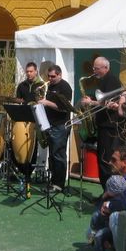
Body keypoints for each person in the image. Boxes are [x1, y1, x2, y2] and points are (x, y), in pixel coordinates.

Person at [80, 56, 123, 188]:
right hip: (104, 125)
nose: (94, 71)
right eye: (93, 68)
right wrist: (91, 98)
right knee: (102, 159)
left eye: (96, 68)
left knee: (105, 159)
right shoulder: (105, 80)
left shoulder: (112, 80)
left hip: (109, 126)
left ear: (105, 68)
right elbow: (102, 99)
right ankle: (106, 190)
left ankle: (108, 191)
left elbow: (108, 103)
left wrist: (91, 102)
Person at [37, 64, 73, 192]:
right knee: (52, 155)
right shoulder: (50, 86)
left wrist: (46, 102)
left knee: (58, 154)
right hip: (51, 124)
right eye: (49, 76)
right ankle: (53, 181)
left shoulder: (65, 87)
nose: (50, 79)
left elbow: (64, 108)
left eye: (53, 76)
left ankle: (59, 184)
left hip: (61, 125)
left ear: (60, 75)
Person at [87, 175, 126, 251]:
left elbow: (117, 209)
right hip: (105, 224)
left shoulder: (120, 201)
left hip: (113, 228)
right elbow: (99, 209)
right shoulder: (109, 197)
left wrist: (107, 207)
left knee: (99, 236)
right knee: (96, 222)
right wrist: (103, 199)